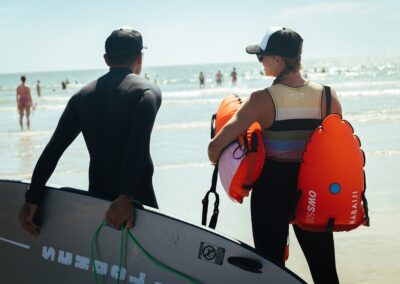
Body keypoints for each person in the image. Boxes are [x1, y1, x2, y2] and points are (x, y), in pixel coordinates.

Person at [208, 27, 341, 283]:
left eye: (263, 56)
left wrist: (224, 159)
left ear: (279, 60)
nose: (260, 61)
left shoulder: (261, 100)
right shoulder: (328, 96)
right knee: (324, 271)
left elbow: (214, 148)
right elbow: (333, 148)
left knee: (272, 271)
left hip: (272, 190)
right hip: (312, 189)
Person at [18, 27, 162, 237]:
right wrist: (126, 196)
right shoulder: (147, 92)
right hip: (138, 203)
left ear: (106, 59)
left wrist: (33, 198)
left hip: (97, 203)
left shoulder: (81, 97)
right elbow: (137, 142)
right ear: (140, 57)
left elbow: (53, 149)